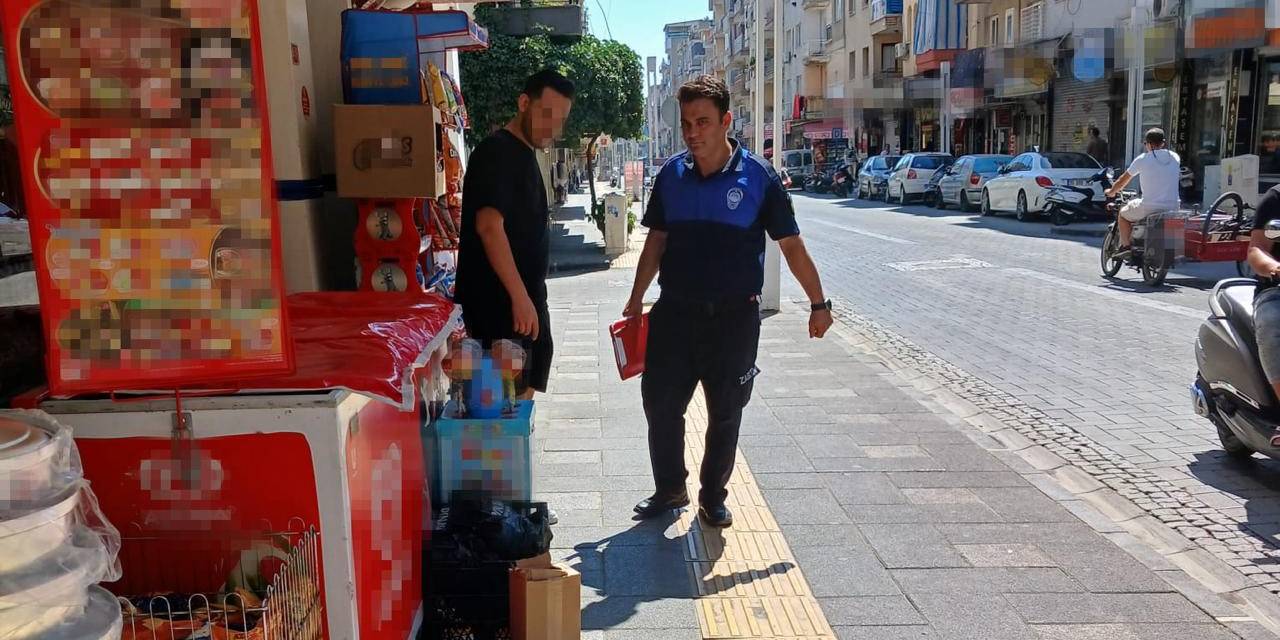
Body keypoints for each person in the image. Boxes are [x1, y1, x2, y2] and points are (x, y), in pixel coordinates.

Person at [623, 75, 833, 529]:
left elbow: (791, 245)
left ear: (726, 121)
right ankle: (670, 487)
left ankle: (712, 497)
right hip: (674, 313)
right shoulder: (671, 176)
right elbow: (656, 240)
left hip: (733, 319)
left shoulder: (758, 178)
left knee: (726, 411)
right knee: (660, 404)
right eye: (686, 123)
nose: (692, 133)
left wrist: (819, 304)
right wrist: (636, 298)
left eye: (702, 122)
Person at [455, 69, 574, 399]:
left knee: (518, 415)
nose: (552, 127)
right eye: (546, 114)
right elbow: (489, 227)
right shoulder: (497, 153)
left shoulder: (523, 155)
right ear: (524, 103)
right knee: (501, 418)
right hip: (499, 314)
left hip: (521, 313)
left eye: (560, 120)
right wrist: (519, 298)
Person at [1104, 128, 1181, 254]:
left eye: (1145, 144)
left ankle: (1126, 247)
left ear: (1148, 144)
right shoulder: (1175, 157)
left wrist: (1112, 192)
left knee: (1123, 214)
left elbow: (1123, 180)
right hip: (1173, 207)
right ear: (1163, 143)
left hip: (1149, 207)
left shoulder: (1142, 159)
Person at [1248, 185, 1280, 446]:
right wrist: (1275, 268)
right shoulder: (1276, 199)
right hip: (1276, 290)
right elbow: (1257, 249)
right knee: (1272, 324)